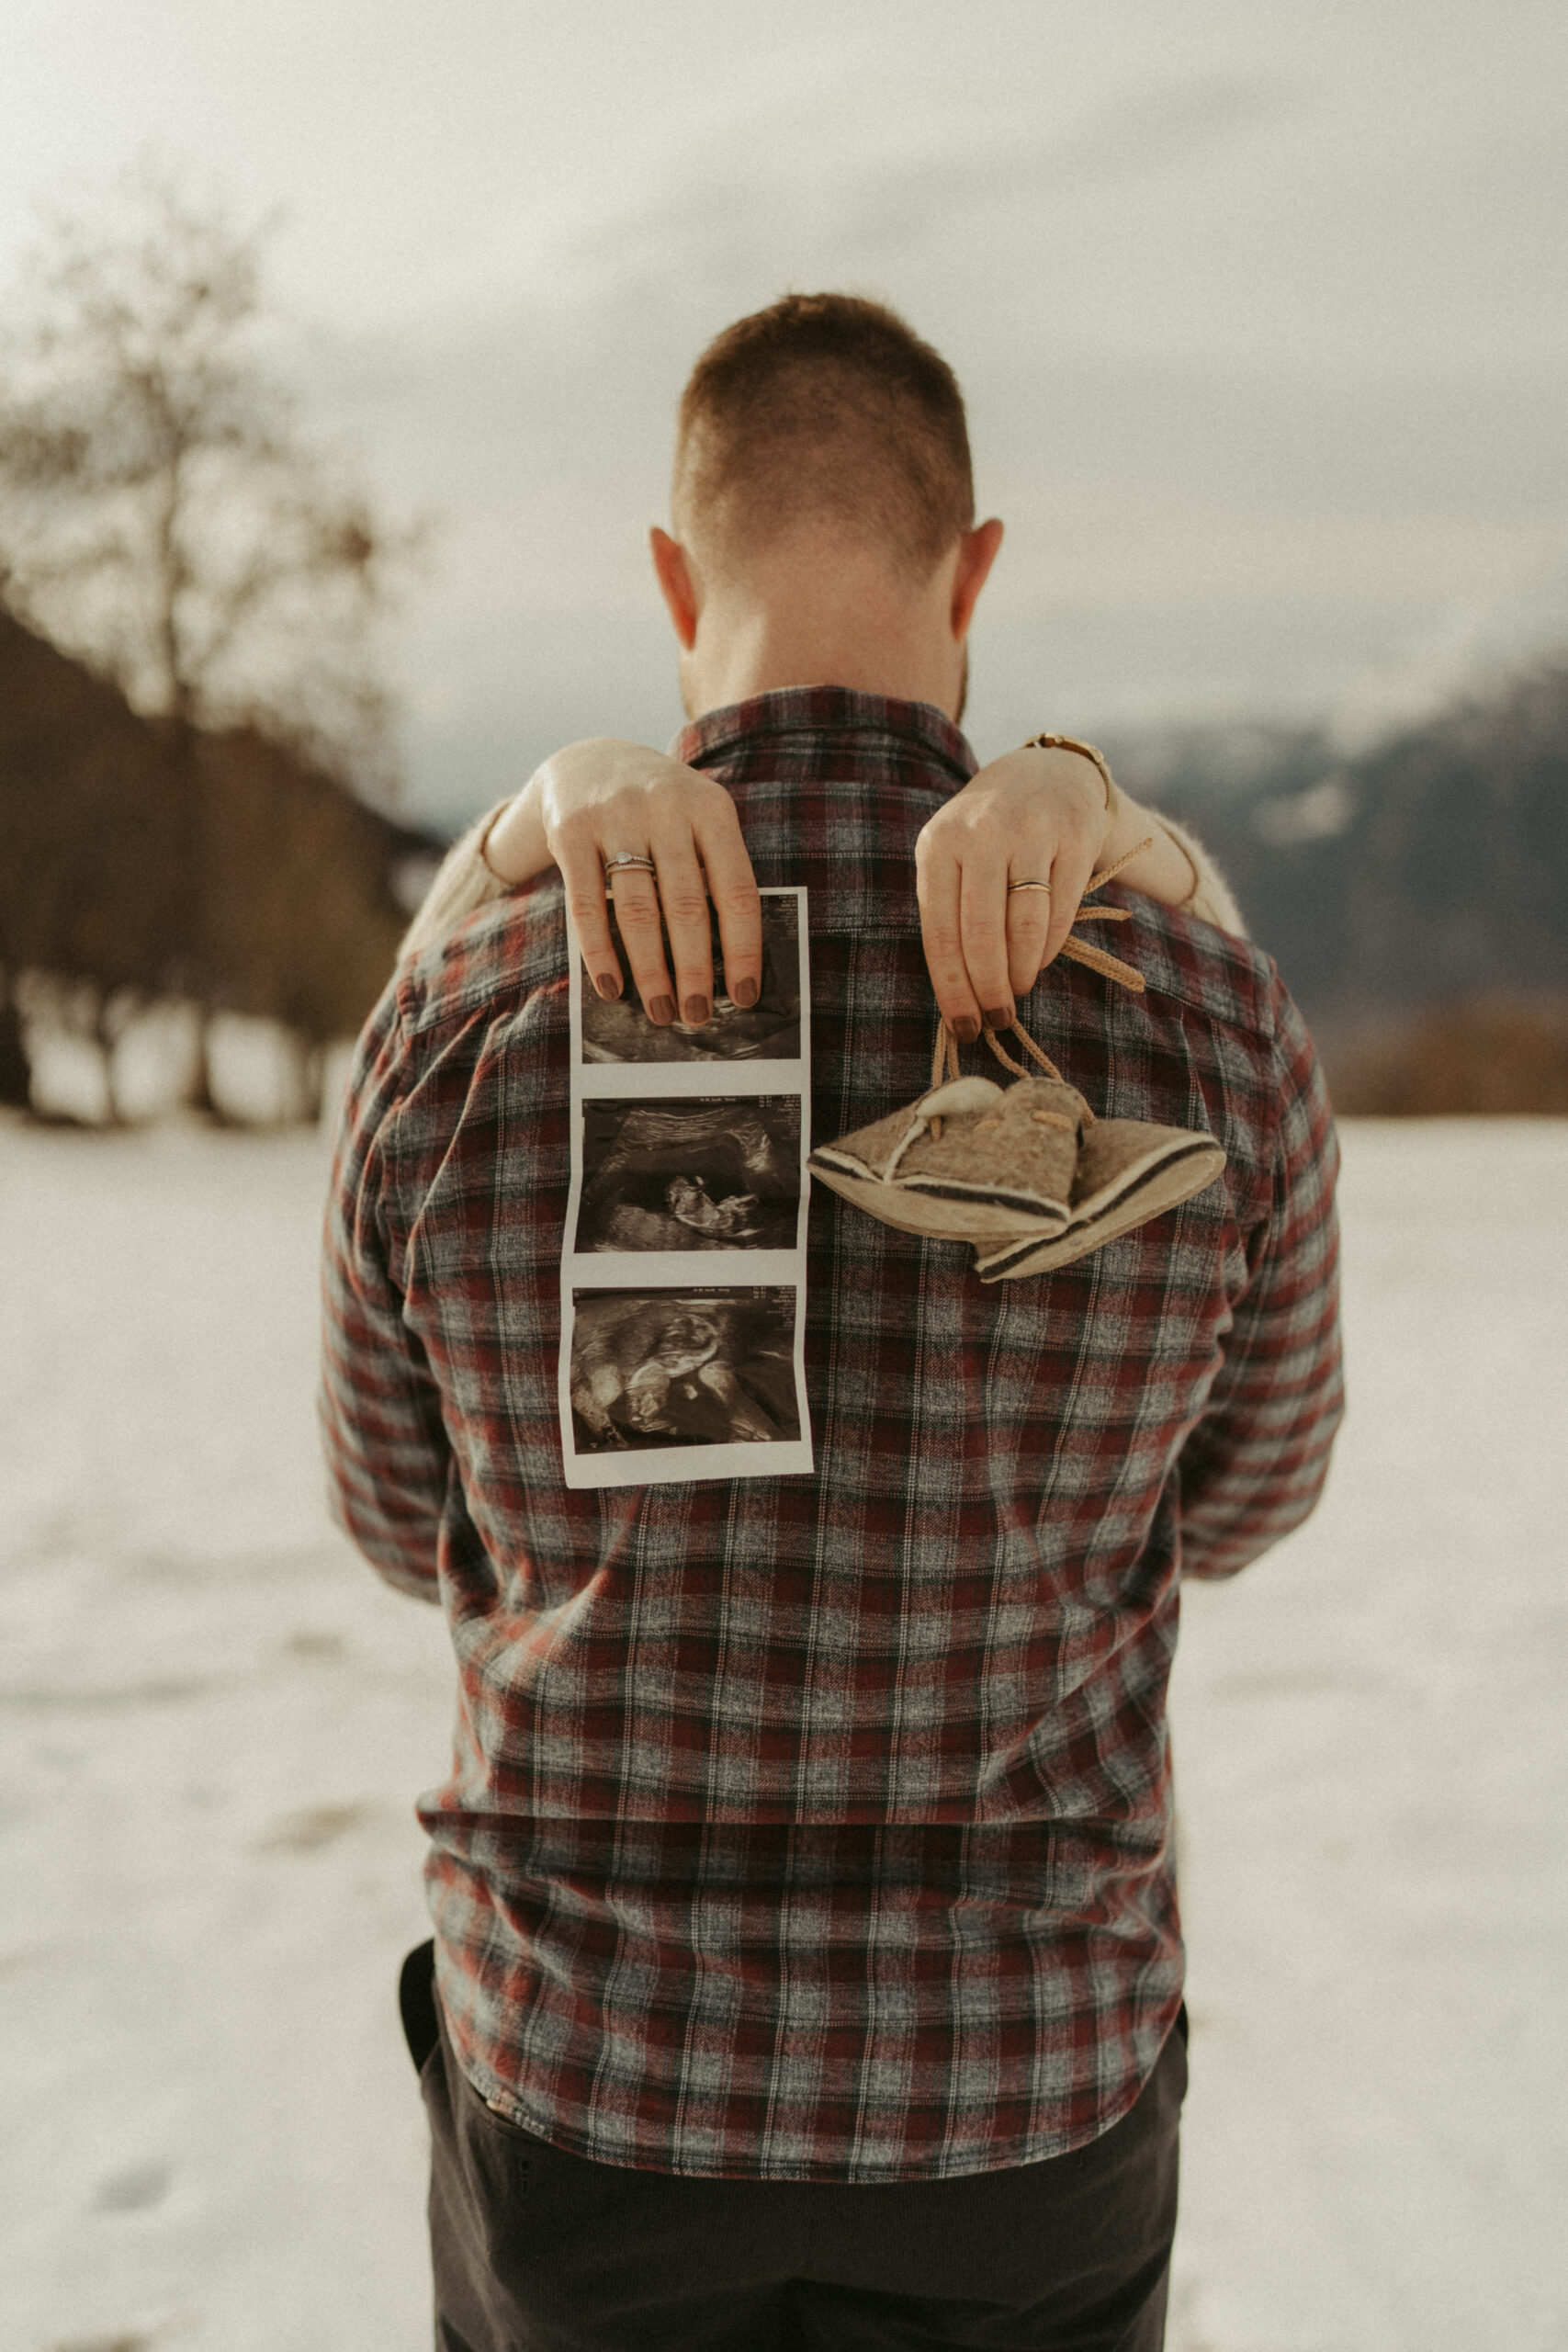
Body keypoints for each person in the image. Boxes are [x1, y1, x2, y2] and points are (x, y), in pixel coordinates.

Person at [321, 293, 1343, 2351]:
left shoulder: (474, 1002)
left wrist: (493, 858)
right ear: (972, 571)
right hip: (1018, 2092)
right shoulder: (1201, 1015)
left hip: (590, 2089)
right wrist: (1143, 844)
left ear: (667, 576)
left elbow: (381, 1499)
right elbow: (1244, 1500)